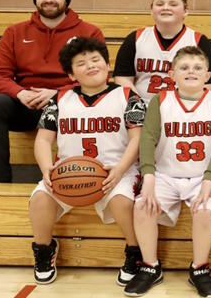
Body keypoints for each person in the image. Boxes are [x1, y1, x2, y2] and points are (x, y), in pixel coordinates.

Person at [29, 37, 145, 287]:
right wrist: (46, 169)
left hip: (116, 170)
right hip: (69, 172)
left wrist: (121, 169)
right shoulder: (59, 100)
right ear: (71, 74)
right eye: (81, 63)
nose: (91, 65)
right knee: (39, 198)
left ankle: (135, 252)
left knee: (122, 201)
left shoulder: (128, 96)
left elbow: (138, 139)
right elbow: (42, 140)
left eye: (96, 60)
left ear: (107, 64)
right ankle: (43, 249)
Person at [124, 46, 211, 298]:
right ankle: (150, 267)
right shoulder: (160, 100)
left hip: (202, 176)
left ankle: (199, 269)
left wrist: (209, 180)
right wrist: (148, 177)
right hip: (164, 174)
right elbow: (148, 138)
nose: (191, 72)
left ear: (208, 75)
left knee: (205, 211)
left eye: (197, 68)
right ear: (172, 74)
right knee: (142, 206)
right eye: (184, 67)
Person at [0, 0, 104, 182]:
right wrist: (20, 93)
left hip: (69, 103)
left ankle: (75, 181)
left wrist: (58, 93)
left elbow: (97, 75)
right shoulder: (15, 32)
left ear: (66, 0)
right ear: (36, 0)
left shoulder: (88, 32)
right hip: (27, 101)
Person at [113, 0, 211, 104]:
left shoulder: (199, 41)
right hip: (143, 106)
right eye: (159, 4)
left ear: (185, 10)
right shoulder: (136, 38)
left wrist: (185, 106)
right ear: (151, 10)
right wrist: (137, 105)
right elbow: (122, 78)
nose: (165, 8)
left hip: (186, 108)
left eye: (173, 4)